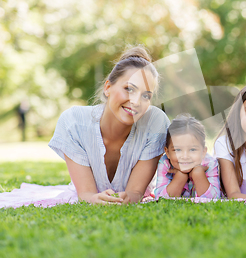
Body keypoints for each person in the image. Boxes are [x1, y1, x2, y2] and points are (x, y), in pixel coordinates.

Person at [48, 45, 169, 204]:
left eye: (146, 95)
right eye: (129, 89)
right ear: (107, 87)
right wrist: (93, 198)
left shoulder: (155, 123)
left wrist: (127, 198)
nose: (136, 102)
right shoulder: (74, 122)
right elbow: (86, 194)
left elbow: (135, 193)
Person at [154, 114, 220, 199]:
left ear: (203, 152)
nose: (185, 156)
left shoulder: (209, 163)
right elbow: (161, 199)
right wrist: (180, 177)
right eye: (177, 150)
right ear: (167, 152)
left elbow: (214, 199)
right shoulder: (165, 163)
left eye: (192, 150)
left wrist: (198, 174)